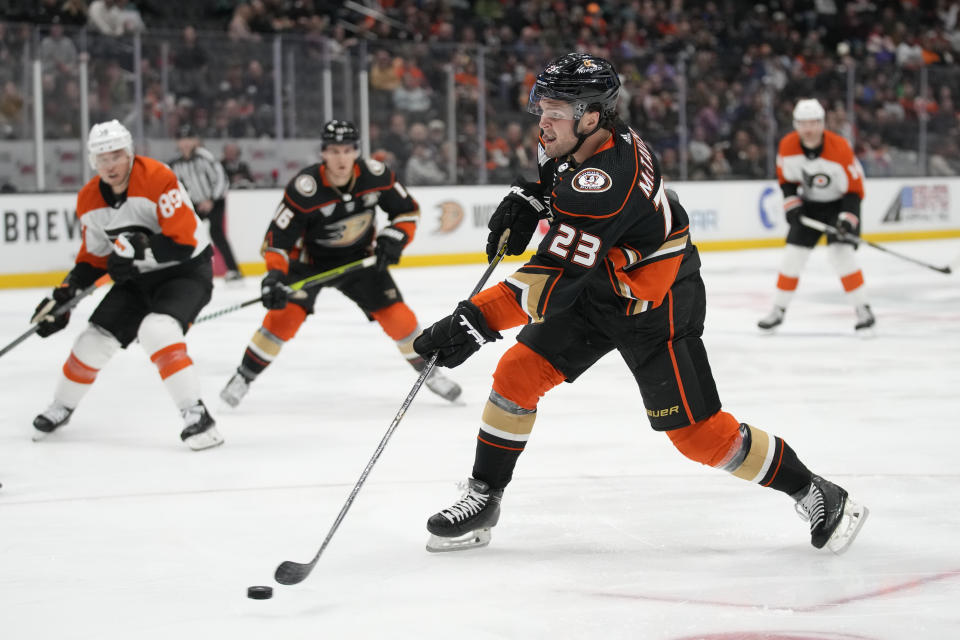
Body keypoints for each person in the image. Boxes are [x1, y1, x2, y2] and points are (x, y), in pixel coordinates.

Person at [413, 54, 868, 554]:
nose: (543, 120)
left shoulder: (607, 178)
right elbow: (560, 193)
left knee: (699, 437)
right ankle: (484, 498)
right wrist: (532, 197)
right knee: (517, 374)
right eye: (542, 105)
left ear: (591, 116)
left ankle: (816, 491)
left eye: (556, 110)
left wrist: (474, 320)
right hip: (597, 285)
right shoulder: (575, 139)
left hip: (657, 304)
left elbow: (551, 279)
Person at [218, 119, 462, 407]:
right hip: (308, 264)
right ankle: (243, 377)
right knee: (282, 320)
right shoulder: (303, 189)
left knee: (399, 318)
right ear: (323, 153)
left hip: (359, 261)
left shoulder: (376, 175)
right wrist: (274, 276)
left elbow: (407, 212)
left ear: (356, 151)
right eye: (334, 151)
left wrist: (395, 238)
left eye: (347, 150)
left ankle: (429, 374)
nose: (341, 158)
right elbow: (276, 240)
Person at [30, 119, 222, 450]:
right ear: (93, 161)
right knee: (93, 340)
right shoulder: (89, 199)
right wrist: (64, 296)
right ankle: (61, 406)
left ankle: (197, 416)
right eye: (102, 158)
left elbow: (184, 243)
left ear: (130, 154)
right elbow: (93, 259)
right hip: (138, 279)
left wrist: (139, 248)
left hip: (186, 272)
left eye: (116, 155)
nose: (110, 164)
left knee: (157, 329)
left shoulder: (158, 178)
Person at [757, 99, 874, 333]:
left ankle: (863, 308)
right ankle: (778, 310)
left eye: (813, 123)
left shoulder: (839, 147)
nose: (808, 129)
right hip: (810, 205)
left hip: (841, 204)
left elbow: (854, 191)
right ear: (796, 125)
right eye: (803, 123)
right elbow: (787, 182)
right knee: (792, 258)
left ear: (822, 124)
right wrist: (792, 205)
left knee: (841, 256)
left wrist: (846, 220)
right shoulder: (788, 146)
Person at [169, 123, 242, 282]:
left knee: (217, 234)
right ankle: (188, 269)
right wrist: (189, 203)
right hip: (195, 204)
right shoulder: (176, 163)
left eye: (189, 138)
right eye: (182, 139)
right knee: (188, 235)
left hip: (214, 201)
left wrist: (211, 200)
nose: (186, 143)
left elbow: (221, 178)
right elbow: (177, 186)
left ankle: (234, 270)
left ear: (196, 140)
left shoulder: (205, 157)